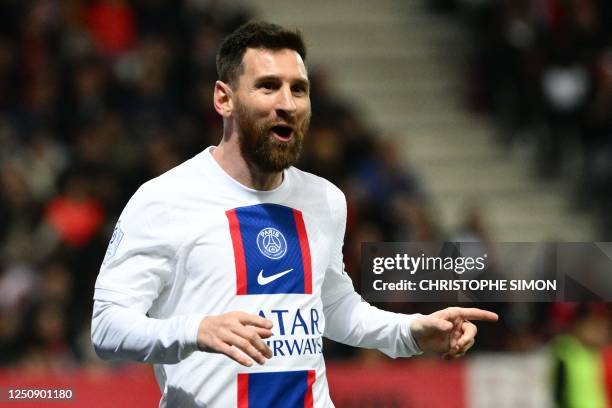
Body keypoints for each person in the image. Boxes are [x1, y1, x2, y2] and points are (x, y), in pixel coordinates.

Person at [91, 21, 498, 407]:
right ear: (224, 98)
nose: (286, 104)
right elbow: (107, 327)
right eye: (268, 87)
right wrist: (195, 331)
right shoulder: (165, 199)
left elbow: (334, 308)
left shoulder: (325, 200)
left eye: (298, 89)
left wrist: (409, 332)